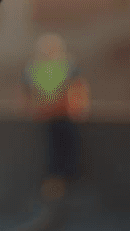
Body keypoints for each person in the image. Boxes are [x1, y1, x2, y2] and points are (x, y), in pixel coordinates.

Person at [21, 32, 90, 200]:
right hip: (49, 115)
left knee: (63, 147)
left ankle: (63, 181)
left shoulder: (65, 65)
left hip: (59, 115)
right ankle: (58, 182)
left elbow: (76, 90)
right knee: (55, 148)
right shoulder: (36, 67)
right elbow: (26, 92)